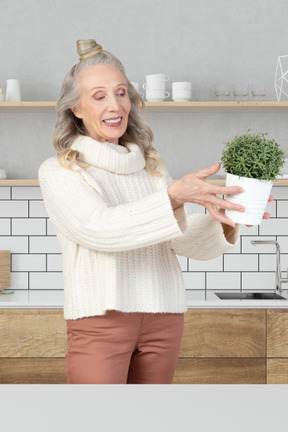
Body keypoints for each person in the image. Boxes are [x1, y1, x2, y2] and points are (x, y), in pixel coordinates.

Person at [38, 39, 271, 384]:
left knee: (152, 420)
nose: (115, 105)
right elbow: (99, 229)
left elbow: (177, 240)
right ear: (76, 109)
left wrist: (225, 218)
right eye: (99, 96)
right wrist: (174, 198)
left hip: (164, 315)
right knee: (95, 421)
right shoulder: (59, 171)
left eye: (121, 93)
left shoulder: (150, 168)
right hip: (102, 319)